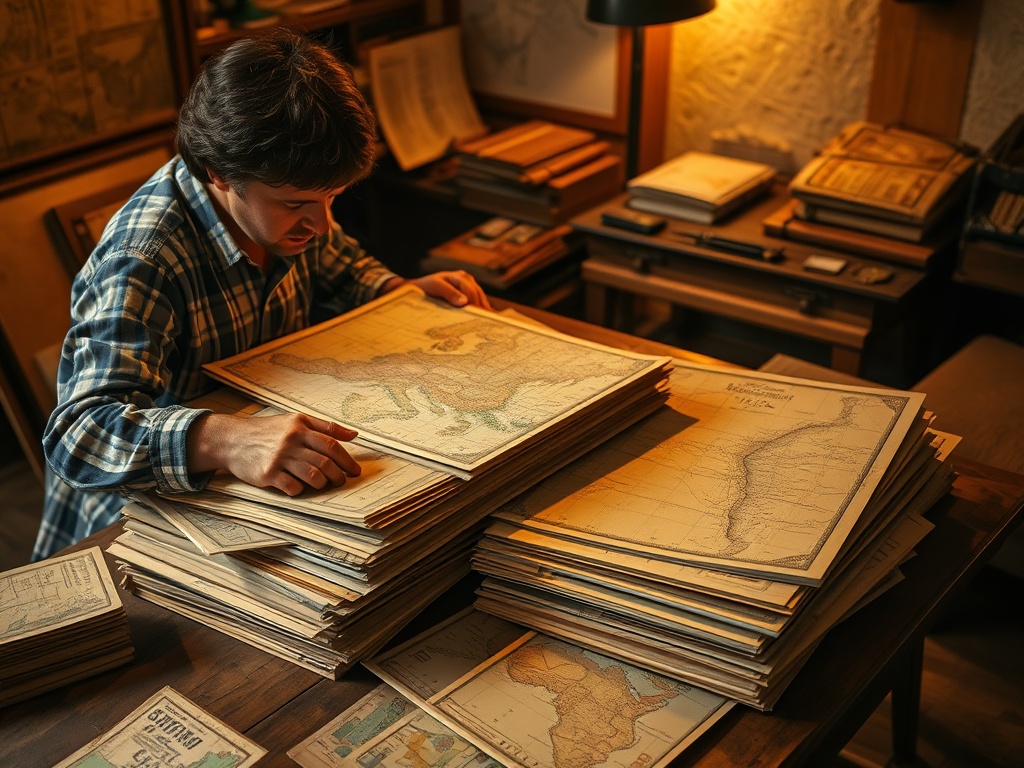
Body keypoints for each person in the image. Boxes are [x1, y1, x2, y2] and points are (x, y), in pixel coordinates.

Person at [33, 29, 490, 561]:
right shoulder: (143, 257)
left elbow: (344, 271)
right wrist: (226, 439)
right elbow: (78, 435)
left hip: (260, 481)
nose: (321, 224)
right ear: (219, 174)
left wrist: (398, 293)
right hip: (136, 526)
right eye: (296, 204)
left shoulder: (287, 200)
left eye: (333, 198)